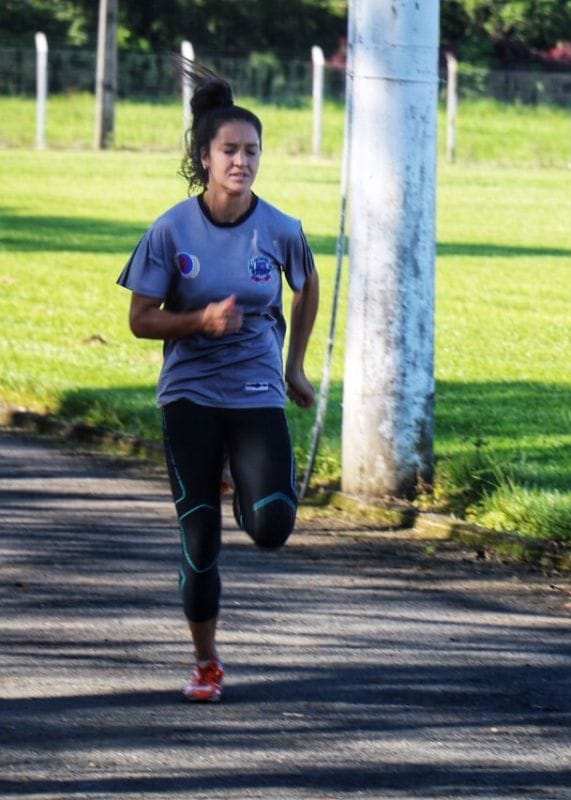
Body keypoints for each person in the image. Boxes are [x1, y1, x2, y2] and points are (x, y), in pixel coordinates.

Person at [117, 65, 320, 702]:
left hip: (257, 387)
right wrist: (198, 322)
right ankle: (206, 662)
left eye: (252, 151)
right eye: (230, 151)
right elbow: (140, 320)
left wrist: (294, 367)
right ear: (205, 157)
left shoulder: (282, 229)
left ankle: (243, 485)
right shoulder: (171, 230)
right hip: (190, 394)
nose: (242, 162)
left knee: (272, 526)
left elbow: (307, 286)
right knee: (199, 539)